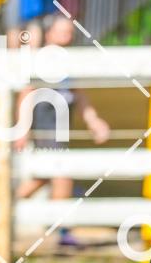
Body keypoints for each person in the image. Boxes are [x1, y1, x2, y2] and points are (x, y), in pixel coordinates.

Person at [15, 17, 111, 247]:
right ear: (49, 34)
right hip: (46, 125)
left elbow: (78, 94)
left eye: (70, 31)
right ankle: (62, 232)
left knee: (42, 178)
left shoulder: (69, 60)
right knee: (62, 174)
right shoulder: (42, 59)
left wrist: (93, 121)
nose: (68, 35)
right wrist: (22, 128)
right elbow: (27, 93)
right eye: (62, 31)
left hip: (61, 128)